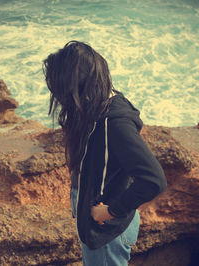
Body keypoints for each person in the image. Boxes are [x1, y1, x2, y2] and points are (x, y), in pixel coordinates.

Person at [43, 41, 167, 266]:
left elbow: (154, 180)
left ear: (79, 85)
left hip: (106, 232)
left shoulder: (115, 124)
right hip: (99, 222)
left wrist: (110, 211)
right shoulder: (97, 105)